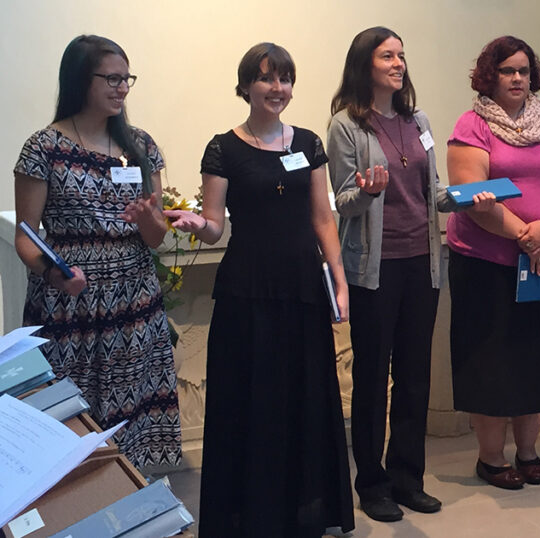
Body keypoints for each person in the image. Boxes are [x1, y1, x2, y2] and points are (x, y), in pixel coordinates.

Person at [163, 43, 354, 536]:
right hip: (247, 291)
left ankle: (303, 512)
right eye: (267, 78)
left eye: (285, 79)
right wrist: (196, 224)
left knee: (303, 398)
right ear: (246, 85)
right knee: (251, 402)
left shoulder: (308, 143)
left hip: (303, 288)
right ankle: (253, 516)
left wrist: (338, 279)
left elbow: (322, 218)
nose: (277, 88)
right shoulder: (223, 148)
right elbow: (213, 227)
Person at [13, 35, 181, 469]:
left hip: (134, 306)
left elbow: (157, 237)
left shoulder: (140, 146)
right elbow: (27, 236)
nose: (122, 88)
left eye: (127, 79)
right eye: (111, 79)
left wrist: (148, 219)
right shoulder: (43, 148)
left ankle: (131, 496)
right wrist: (55, 275)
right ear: (79, 80)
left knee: (130, 419)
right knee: (68, 419)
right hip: (70, 305)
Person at [446, 35, 540, 490]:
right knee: (491, 362)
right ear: (489, 76)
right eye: (507, 70)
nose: (516, 78)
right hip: (486, 264)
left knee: (536, 359)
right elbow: (474, 197)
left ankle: (528, 452)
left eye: (523, 71)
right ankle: (491, 458)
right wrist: (527, 238)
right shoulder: (472, 125)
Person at [327, 26, 452, 522]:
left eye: (401, 55)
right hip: (373, 270)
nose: (398, 63)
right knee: (373, 377)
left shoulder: (418, 120)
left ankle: (407, 479)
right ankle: (372, 484)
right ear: (365, 65)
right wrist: (369, 192)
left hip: (423, 264)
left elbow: (433, 191)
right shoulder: (346, 125)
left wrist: (467, 198)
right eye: (387, 56)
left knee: (415, 377)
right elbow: (343, 201)